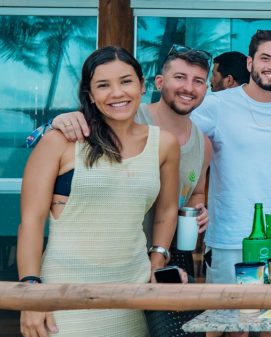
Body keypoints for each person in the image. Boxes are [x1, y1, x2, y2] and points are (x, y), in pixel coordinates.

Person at [17, 46, 180, 337]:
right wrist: (30, 296)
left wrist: (157, 261)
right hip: (64, 296)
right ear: (89, 94)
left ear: (142, 85)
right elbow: (30, 222)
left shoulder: (164, 144)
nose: (117, 93)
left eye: (126, 81)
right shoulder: (61, 140)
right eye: (103, 85)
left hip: (131, 293)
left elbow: (167, 211)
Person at [191, 30, 271, 337]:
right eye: (265, 58)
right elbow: (177, 137)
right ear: (251, 62)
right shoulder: (217, 104)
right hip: (230, 233)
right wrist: (194, 194)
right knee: (233, 325)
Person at [51, 45, 213, 248]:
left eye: (198, 81)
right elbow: (83, 125)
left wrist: (197, 209)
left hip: (162, 253)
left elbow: (196, 191)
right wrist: (58, 121)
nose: (188, 88)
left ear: (206, 89)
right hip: (103, 251)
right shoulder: (124, 117)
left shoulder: (203, 144)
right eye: (180, 77)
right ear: (159, 82)